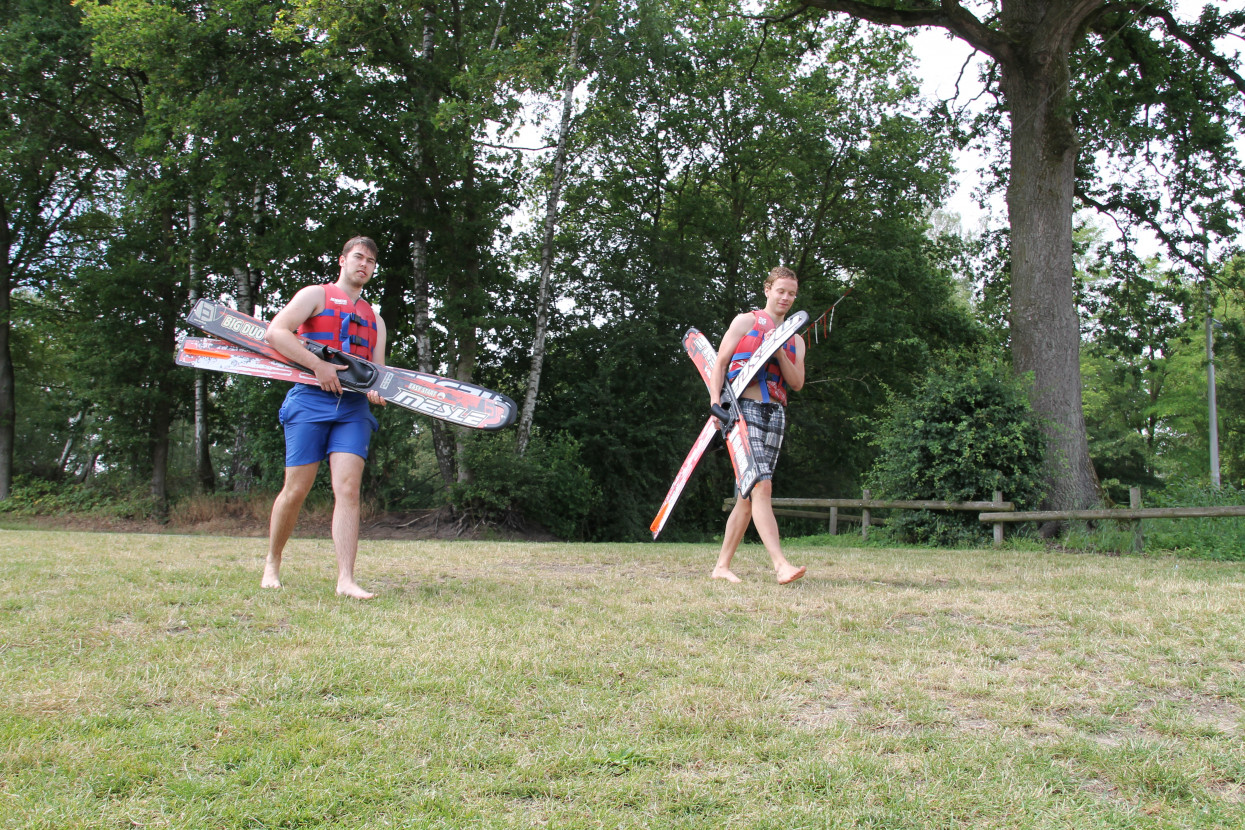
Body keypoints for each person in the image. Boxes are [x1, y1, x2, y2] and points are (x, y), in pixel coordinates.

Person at [261, 236, 388, 599]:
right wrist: (319, 366)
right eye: (358, 257)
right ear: (343, 260)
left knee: (348, 489)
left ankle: (346, 580)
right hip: (309, 400)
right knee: (296, 489)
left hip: (352, 409)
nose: (364, 265)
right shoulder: (314, 295)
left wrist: (377, 391)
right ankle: (272, 562)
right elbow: (275, 333)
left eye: (370, 262)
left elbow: (377, 372)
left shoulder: (375, 319)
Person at [708, 266, 807, 585]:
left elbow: (796, 384)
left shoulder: (798, 342)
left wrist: (777, 349)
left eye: (791, 293)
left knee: (747, 495)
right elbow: (720, 364)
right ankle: (780, 565)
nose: (786, 297)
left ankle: (721, 567)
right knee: (761, 485)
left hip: (775, 413)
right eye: (781, 290)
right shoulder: (745, 321)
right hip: (743, 409)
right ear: (768, 290)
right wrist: (715, 404)